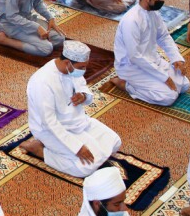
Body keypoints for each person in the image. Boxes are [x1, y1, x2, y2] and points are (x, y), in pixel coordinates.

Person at [19, 41, 121, 177]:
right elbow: (49, 123)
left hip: (78, 121)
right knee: (87, 167)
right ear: (67, 63)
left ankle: (70, 149)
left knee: (115, 141)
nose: (84, 70)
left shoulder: (72, 71)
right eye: (82, 67)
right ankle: (40, 151)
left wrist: (84, 96)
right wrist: (76, 146)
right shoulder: (42, 82)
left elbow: (83, 86)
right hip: (50, 130)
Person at [111, 0, 189, 106]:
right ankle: (127, 85)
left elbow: (163, 36)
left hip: (152, 60)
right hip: (131, 67)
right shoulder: (131, 21)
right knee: (169, 97)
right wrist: (164, 77)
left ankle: (155, 81)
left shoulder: (153, 13)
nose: (162, 1)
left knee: (184, 85)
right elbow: (134, 56)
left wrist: (176, 58)